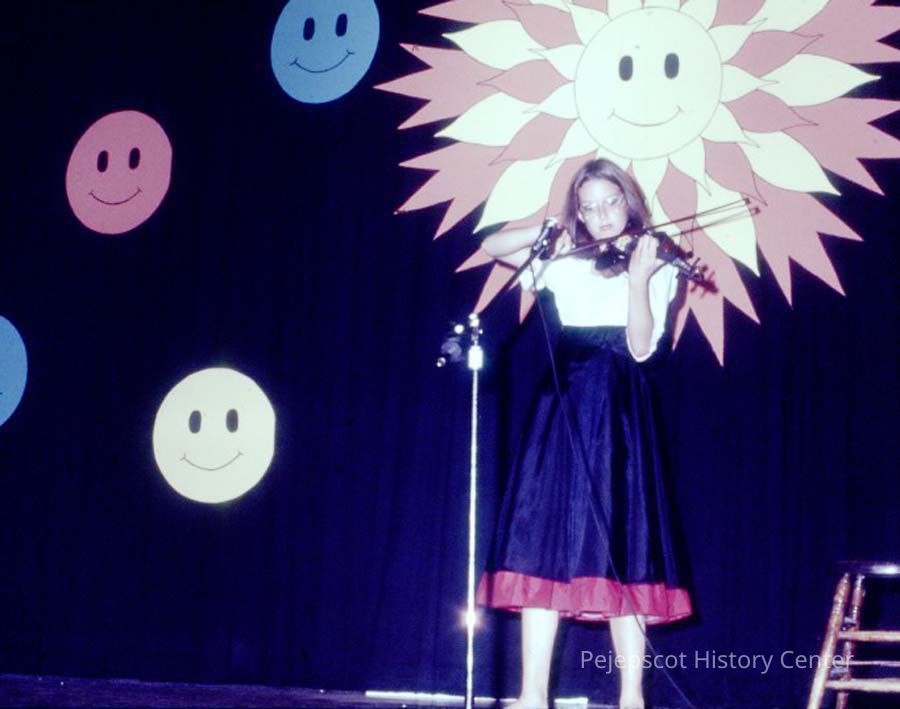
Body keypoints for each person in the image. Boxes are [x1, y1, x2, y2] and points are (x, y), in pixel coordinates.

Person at [476, 159, 692, 709]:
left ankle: (631, 698)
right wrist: (550, 226)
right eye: (589, 206)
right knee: (542, 544)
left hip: (621, 410)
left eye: (611, 202)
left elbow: (640, 347)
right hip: (563, 406)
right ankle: (532, 696)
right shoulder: (566, 260)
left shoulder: (654, 261)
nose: (602, 216)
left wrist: (639, 279)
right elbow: (492, 245)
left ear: (629, 202)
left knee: (627, 546)